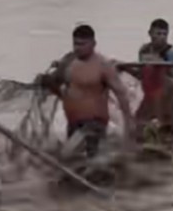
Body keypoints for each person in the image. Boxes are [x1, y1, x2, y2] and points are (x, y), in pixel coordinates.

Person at [37, 24, 134, 158]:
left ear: (93, 43)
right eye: (75, 44)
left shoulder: (103, 66)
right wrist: (46, 81)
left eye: (83, 44)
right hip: (73, 123)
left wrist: (128, 125)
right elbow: (57, 85)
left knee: (68, 155)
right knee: (79, 164)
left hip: (94, 124)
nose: (78, 48)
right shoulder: (68, 62)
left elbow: (121, 94)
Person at [124, 18, 173, 144]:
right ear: (150, 33)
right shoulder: (144, 51)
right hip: (149, 98)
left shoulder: (171, 54)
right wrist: (126, 68)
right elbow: (142, 75)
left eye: (164, 34)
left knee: (170, 137)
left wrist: (160, 69)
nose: (161, 37)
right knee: (137, 131)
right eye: (158, 34)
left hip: (167, 100)